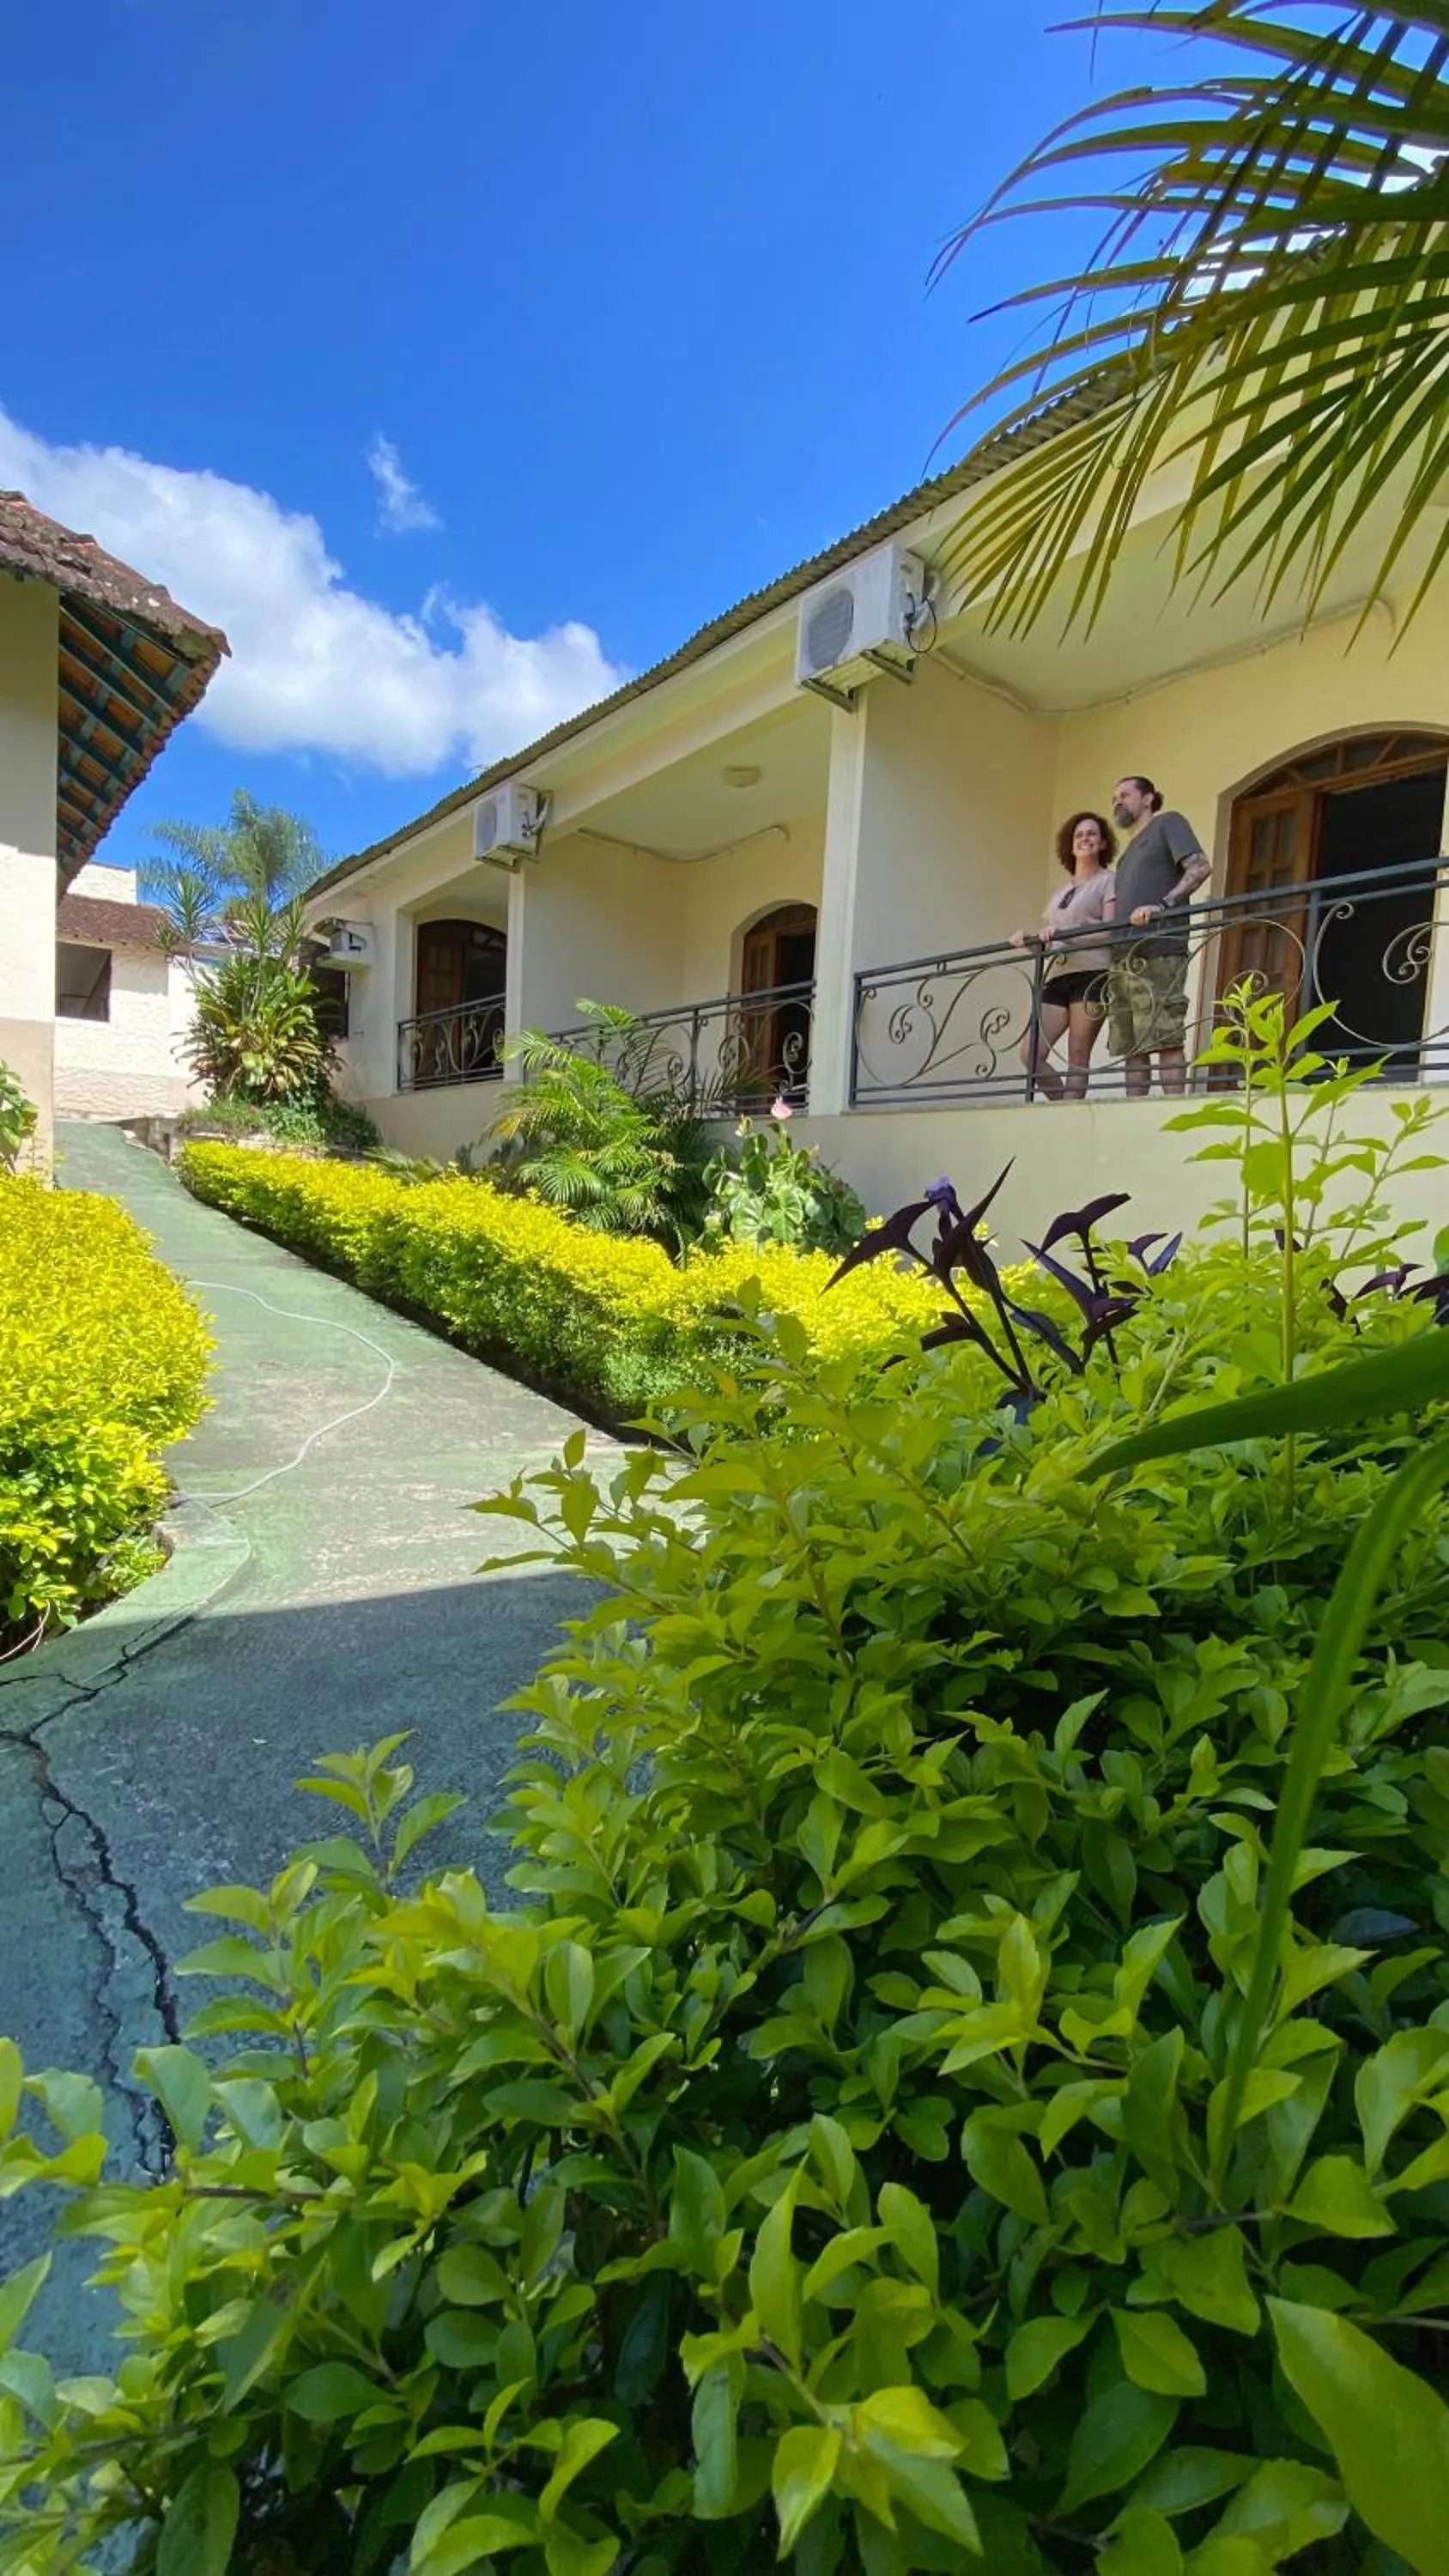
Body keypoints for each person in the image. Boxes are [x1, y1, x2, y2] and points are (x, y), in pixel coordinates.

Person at [1106, 776, 1211, 1097]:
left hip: (1161, 948)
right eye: (1114, 797)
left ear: (1148, 798)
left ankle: (1173, 1112)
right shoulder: (1125, 857)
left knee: (1165, 1037)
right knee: (1132, 1046)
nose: (1117, 801)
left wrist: (1164, 904)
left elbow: (1200, 867)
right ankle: (1135, 1118)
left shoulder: (1168, 823)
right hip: (1123, 957)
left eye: (1124, 794)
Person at [1011, 811, 1118, 1100]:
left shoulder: (1109, 881)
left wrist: (1067, 934)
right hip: (1058, 975)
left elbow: (1111, 933)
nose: (1085, 839)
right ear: (1070, 846)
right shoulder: (1061, 892)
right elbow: (1049, 944)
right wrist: (1028, 941)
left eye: (1092, 833)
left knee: (1078, 1055)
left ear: (1103, 843)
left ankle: (1070, 1119)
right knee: (1031, 1053)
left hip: (1092, 973)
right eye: (1079, 835)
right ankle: (1065, 1111)